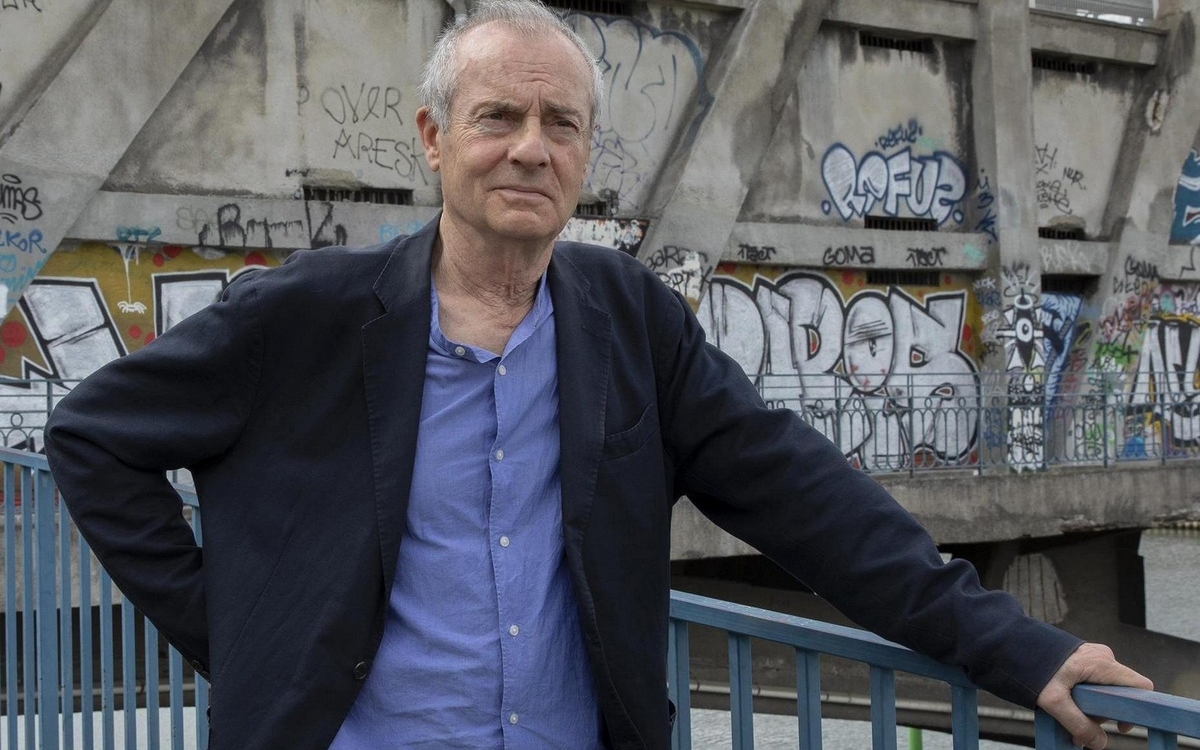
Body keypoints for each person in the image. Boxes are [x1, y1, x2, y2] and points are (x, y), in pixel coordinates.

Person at [44, 1, 1152, 748]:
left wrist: (1021, 648)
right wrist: (235, 632)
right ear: (434, 137)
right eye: (498, 117)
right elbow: (91, 436)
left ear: (584, 154)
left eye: (559, 124)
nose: (530, 146)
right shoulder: (308, 315)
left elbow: (806, 499)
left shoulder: (627, 320)